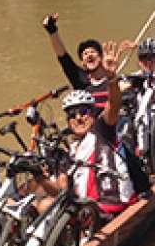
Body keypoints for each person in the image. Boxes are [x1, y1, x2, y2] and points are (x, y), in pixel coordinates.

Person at [41, 41, 137, 220]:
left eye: (84, 112)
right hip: (85, 208)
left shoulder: (102, 131)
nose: (79, 118)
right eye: (72, 115)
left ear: (93, 114)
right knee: (44, 204)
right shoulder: (72, 148)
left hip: (109, 207)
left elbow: (114, 104)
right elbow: (60, 191)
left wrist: (111, 78)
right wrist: (39, 177)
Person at [42, 13, 115, 107]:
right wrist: (52, 31)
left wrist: (112, 76)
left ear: (101, 57)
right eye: (85, 54)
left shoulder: (113, 80)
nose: (89, 55)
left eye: (92, 52)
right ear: (82, 63)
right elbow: (63, 57)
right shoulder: (81, 80)